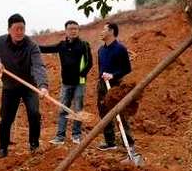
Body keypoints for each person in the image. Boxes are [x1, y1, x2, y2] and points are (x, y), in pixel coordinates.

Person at [0, 13, 48, 158]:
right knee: (6, 118)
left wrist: (43, 85)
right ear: (9, 29)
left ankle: (34, 145)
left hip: (29, 86)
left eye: (22, 28)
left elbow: (38, 66)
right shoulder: (0, 41)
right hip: (10, 86)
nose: (20, 32)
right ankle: (3, 148)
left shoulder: (31, 45)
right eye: (16, 29)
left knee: (34, 114)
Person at [40, 20, 92, 145]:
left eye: (75, 29)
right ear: (66, 31)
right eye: (70, 29)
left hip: (79, 82)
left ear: (78, 31)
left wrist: (81, 74)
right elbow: (46, 49)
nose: (73, 31)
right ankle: (60, 136)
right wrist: (31, 46)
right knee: (63, 108)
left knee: (78, 109)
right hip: (66, 83)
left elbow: (90, 63)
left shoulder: (84, 45)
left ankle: (76, 135)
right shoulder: (61, 45)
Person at [96, 22, 143, 163]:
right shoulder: (100, 50)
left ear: (111, 31)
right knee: (103, 112)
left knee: (120, 114)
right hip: (102, 85)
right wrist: (102, 78)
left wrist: (113, 75)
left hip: (116, 85)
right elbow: (100, 68)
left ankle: (129, 144)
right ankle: (110, 142)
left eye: (104, 29)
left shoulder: (120, 49)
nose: (102, 32)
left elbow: (127, 69)